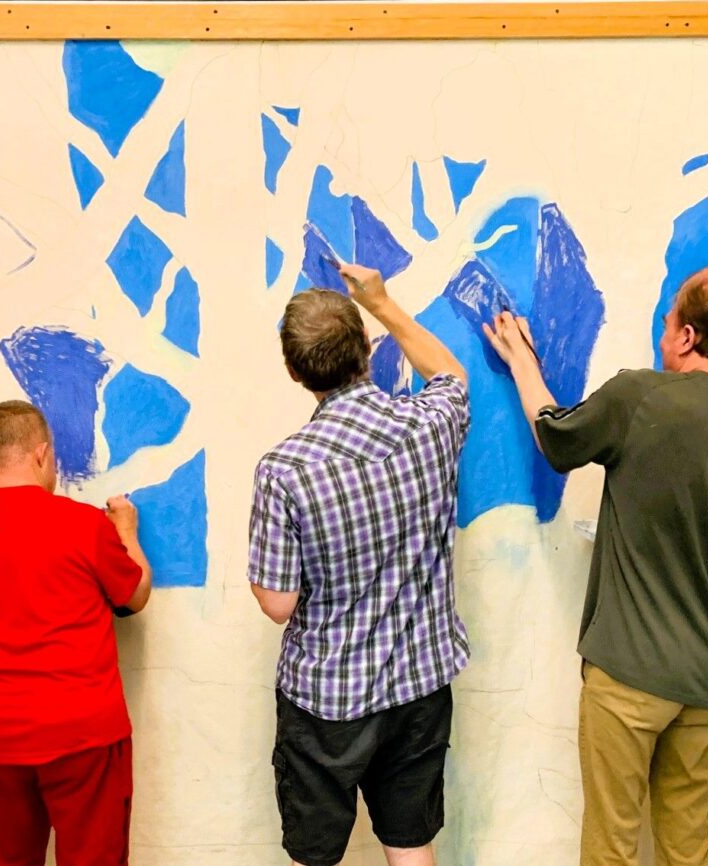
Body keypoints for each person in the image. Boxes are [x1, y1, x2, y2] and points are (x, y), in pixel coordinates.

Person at [482, 263, 708, 866]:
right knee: (687, 852)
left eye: (668, 322)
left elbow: (557, 439)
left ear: (685, 337)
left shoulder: (639, 396)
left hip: (628, 679)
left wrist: (522, 358)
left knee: (612, 850)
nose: (662, 335)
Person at [247, 263, 471, 866]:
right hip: (420, 687)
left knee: (316, 855)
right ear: (367, 349)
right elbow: (449, 374)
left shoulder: (286, 470)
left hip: (327, 704)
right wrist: (380, 301)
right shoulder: (429, 426)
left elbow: (278, 604)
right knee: (411, 844)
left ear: (295, 373)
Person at [0, 400, 153, 866]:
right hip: (81, 733)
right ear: (41, 454)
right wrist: (127, 531)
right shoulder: (82, 524)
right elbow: (133, 595)